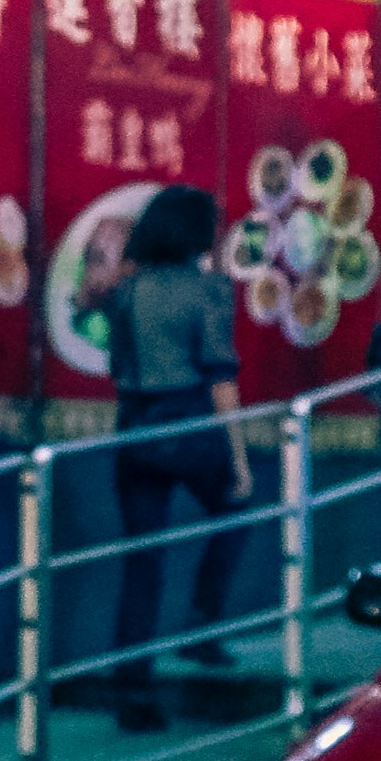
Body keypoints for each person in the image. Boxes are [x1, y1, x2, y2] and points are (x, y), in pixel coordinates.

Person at [92, 178, 252, 728]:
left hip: (132, 427)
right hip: (187, 422)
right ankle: (203, 627)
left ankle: (131, 693)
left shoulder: (125, 291)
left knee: (143, 563)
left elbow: (117, 366)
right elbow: (221, 380)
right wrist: (240, 459)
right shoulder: (208, 290)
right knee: (235, 509)